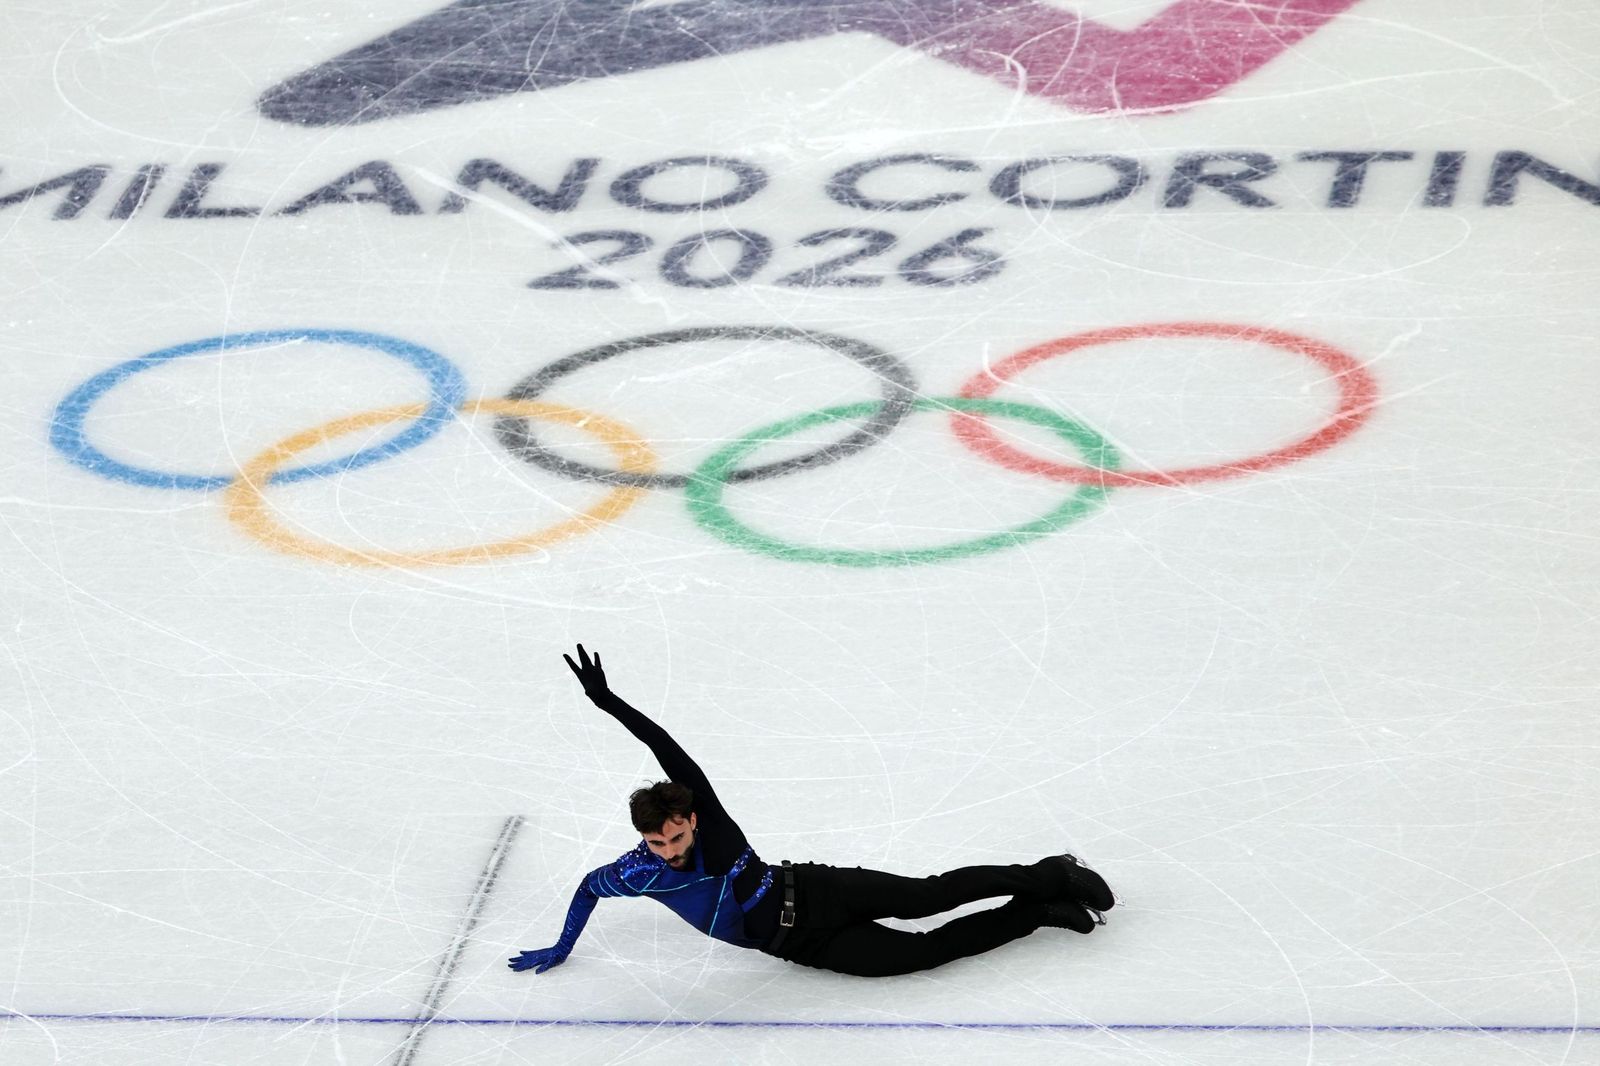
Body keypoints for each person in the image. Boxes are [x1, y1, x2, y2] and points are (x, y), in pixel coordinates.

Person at [507, 645, 1115, 979]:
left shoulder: (708, 820)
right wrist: (561, 947)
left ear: (689, 818)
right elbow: (588, 888)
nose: (671, 849)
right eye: (659, 843)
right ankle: (1039, 913)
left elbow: (663, 747)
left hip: (820, 889)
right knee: (919, 954)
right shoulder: (639, 871)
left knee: (926, 897)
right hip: (799, 946)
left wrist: (609, 702)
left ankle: (1048, 872)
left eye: (675, 834)